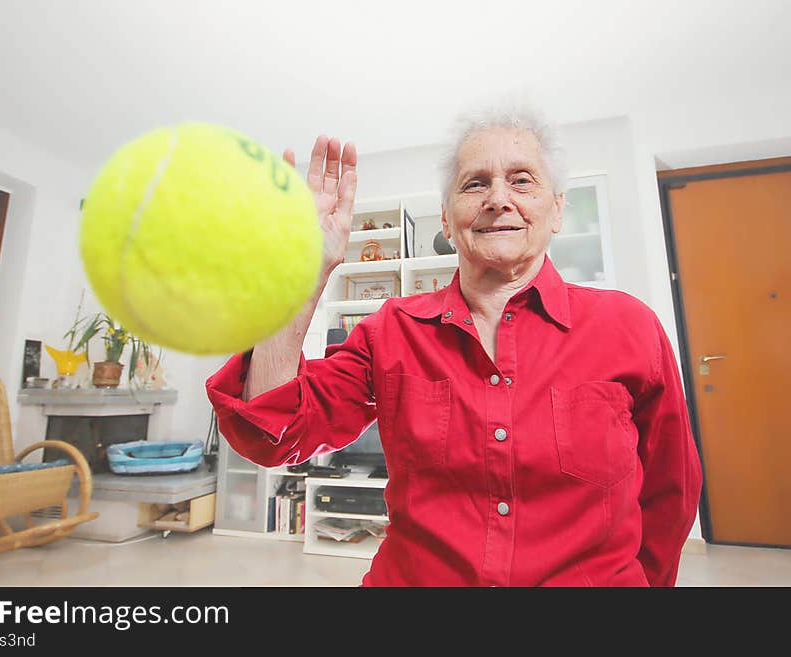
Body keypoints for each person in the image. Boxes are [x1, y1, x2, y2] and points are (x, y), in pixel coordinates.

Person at [206, 104, 703, 587]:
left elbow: (671, 491)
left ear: (556, 212)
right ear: (446, 220)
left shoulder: (629, 326)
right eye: (475, 183)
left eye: (522, 180)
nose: (498, 199)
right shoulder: (390, 330)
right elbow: (274, 432)